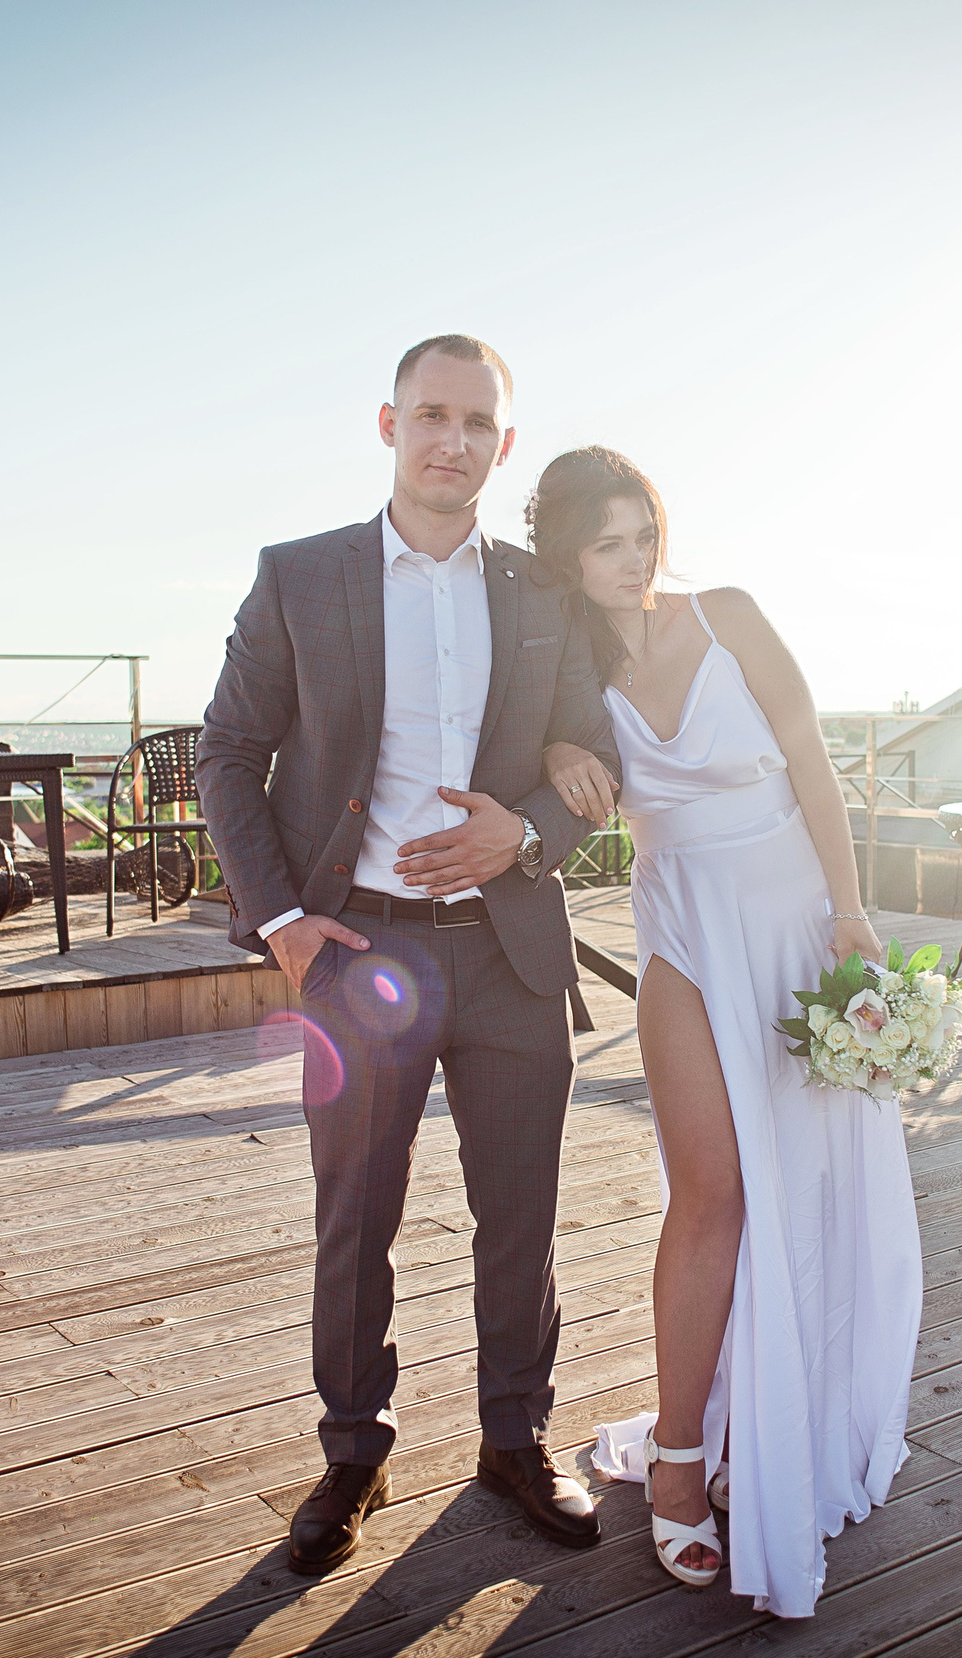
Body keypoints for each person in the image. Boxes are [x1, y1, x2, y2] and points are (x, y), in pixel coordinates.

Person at [195, 337, 624, 1575]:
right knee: (355, 1217)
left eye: (477, 421)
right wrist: (278, 921)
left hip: (507, 954)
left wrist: (525, 832)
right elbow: (229, 751)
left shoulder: (542, 592)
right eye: (431, 415)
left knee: (519, 1215)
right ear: (388, 424)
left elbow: (594, 755)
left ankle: (514, 1438)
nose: (453, 440)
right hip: (356, 951)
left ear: (503, 440)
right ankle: (352, 1452)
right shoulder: (299, 576)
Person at [534, 446, 921, 1618]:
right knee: (712, 1187)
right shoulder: (564, 668)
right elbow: (541, 778)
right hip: (685, 925)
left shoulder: (730, 612)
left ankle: (790, 1402)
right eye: (606, 542)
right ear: (566, 552)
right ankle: (679, 1453)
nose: (633, 560)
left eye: (643, 532)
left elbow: (812, 759)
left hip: (798, 917)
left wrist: (850, 915)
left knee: (807, 1181)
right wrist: (557, 748)